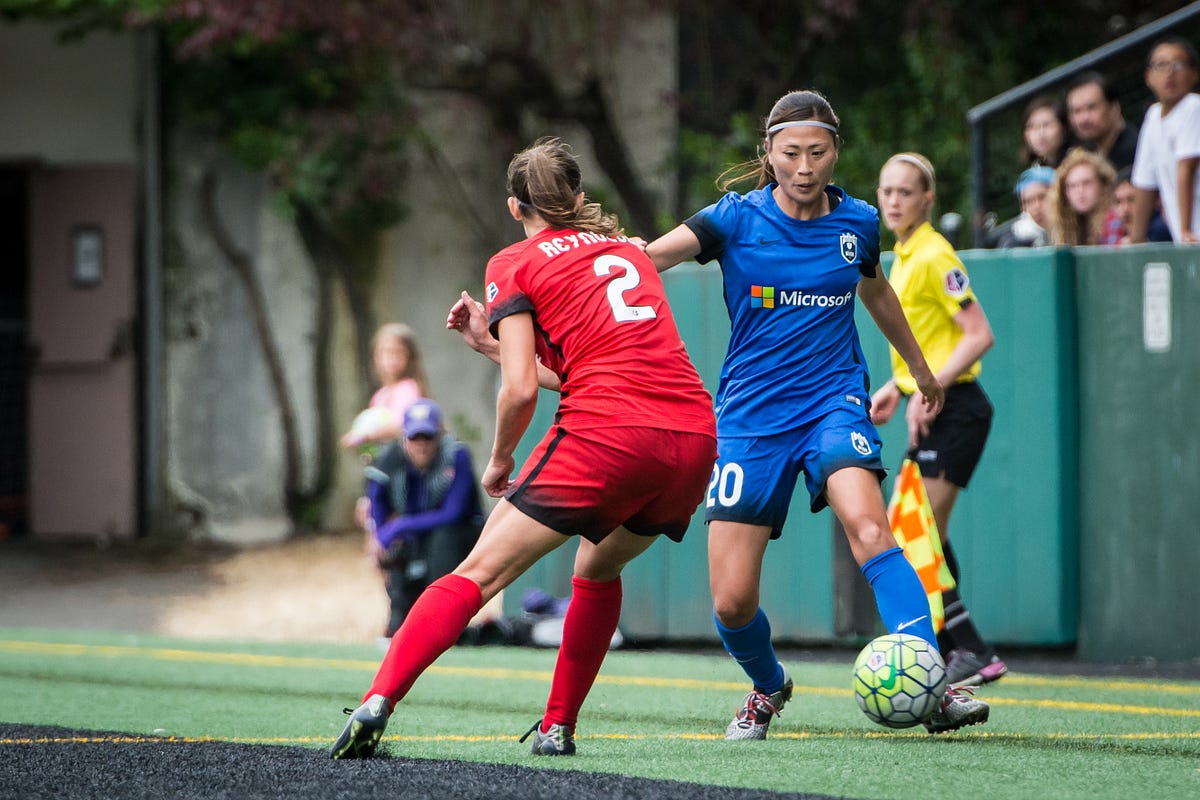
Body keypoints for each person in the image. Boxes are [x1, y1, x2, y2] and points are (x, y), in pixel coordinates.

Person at [330, 137, 718, 760]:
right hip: (692, 438)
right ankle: (557, 726)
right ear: (580, 197)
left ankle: (378, 699)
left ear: (515, 207)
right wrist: (491, 343)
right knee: (598, 567)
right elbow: (583, 367)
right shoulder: (627, 252)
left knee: (476, 574)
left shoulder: (514, 262)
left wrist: (501, 459)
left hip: (608, 434)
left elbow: (518, 392)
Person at [642, 89, 989, 737]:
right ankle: (769, 686)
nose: (805, 165)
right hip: (751, 419)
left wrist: (917, 368)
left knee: (869, 528)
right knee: (731, 598)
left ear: (835, 153)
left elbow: (875, 289)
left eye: (818, 151)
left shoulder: (856, 221)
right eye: (791, 152)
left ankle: (933, 684)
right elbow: (647, 258)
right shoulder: (731, 220)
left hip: (835, 400)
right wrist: (590, 264)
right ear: (768, 154)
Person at [872, 152, 1007, 688]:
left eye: (906, 192)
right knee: (915, 532)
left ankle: (967, 649)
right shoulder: (901, 256)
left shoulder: (933, 254)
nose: (894, 201)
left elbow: (977, 334)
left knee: (916, 532)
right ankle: (963, 650)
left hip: (959, 409)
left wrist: (930, 388)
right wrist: (897, 386)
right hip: (931, 405)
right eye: (886, 191)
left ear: (928, 199)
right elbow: (928, 343)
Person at [365, 398, 484, 638]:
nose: (422, 445)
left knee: (442, 539)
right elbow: (376, 502)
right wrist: (382, 537)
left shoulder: (456, 456)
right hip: (415, 536)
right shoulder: (388, 460)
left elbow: (454, 513)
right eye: (414, 438)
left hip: (459, 537)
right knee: (395, 547)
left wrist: (399, 525)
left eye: (428, 437)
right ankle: (398, 616)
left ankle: (445, 621)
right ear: (404, 438)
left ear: (439, 435)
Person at [1129, 36, 1200, 245]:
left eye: (1178, 65)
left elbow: (1186, 168)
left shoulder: (1193, 107)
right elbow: (1144, 184)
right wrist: (1136, 239)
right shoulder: (1153, 116)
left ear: (1194, 74)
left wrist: (1186, 229)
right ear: (1148, 76)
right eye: (1161, 65)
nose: (1170, 73)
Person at [340, 322, 431, 450]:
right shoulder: (380, 395)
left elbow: (402, 424)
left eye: (398, 352)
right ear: (376, 357)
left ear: (409, 357)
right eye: (386, 352)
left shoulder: (408, 388)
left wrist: (364, 436)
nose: (391, 359)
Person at [1065, 71, 1140, 172]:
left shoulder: (1136, 152)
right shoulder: (1086, 155)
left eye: (1092, 108)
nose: (1083, 118)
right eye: (1076, 111)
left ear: (1114, 108)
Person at [1048, 148, 1117, 246]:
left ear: (1103, 184)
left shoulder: (1115, 219)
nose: (1080, 191)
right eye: (1072, 186)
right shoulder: (1068, 227)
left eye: (1087, 183)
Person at [995, 166, 1054, 248]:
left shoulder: (1076, 228)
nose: (1037, 206)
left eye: (1042, 197)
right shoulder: (1015, 241)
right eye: (1029, 201)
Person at [1019, 94, 1073, 168]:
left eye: (1047, 125)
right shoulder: (1037, 169)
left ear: (1064, 128)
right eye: (1033, 127)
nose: (1040, 134)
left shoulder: (1078, 162)